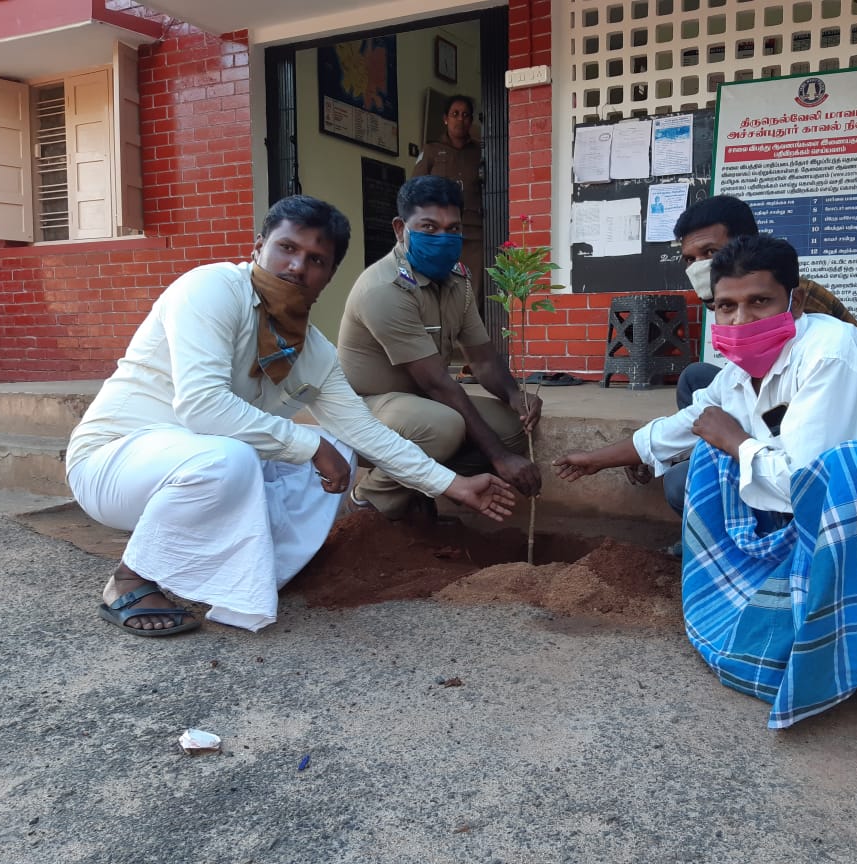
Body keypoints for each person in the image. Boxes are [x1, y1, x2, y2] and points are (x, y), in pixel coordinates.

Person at [554, 235, 857, 729]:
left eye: (759, 302)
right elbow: (685, 425)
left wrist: (737, 440)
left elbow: (804, 480)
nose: (741, 321)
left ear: (795, 301)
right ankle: (791, 624)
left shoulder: (833, 352)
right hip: (842, 538)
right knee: (711, 458)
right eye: (726, 307)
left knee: (853, 465)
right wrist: (596, 458)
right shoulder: (739, 373)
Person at [66, 195, 516, 638]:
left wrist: (454, 486)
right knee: (240, 457)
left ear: (329, 277)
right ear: (258, 246)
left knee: (340, 447)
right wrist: (310, 445)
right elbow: (202, 406)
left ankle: (262, 571)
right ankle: (129, 578)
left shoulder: (312, 348)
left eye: (316, 259)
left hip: (202, 466)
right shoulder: (211, 289)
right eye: (287, 248)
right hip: (114, 463)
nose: (298, 266)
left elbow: (364, 430)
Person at [628, 195, 857, 528]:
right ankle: (713, 473)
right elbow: (725, 391)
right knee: (695, 378)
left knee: (684, 483)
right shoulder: (717, 296)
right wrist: (650, 450)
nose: (698, 267)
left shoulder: (794, 300)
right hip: (767, 407)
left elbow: (792, 404)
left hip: (806, 418)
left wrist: (734, 440)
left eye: (710, 253)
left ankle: (744, 526)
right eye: (689, 258)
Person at [336, 175, 541, 520]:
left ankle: (417, 492)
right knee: (443, 426)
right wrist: (498, 457)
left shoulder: (456, 281)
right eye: (429, 227)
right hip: (365, 407)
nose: (443, 239)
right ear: (401, 228)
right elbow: (436, 382)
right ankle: (364, 504)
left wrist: (513, 395)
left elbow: (483, 359)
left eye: (453, 228)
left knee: (510, 427)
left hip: (419, 402)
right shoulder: (384, 289)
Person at [413, 94, 485, 301]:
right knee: (442, 290)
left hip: (474, 234)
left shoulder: (480, 151)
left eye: (465, 115)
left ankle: (469, 333)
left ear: (471, 120)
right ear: (445, 118)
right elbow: (415, 190)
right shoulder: (431, 151)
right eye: (455, 114)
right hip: (440, 234)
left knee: (473, 292)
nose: (460, 119)